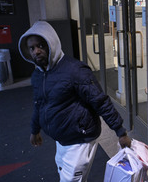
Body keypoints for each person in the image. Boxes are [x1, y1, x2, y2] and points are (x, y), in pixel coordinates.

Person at [18, 21, 131, 182]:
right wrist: (34, 130)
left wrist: (120, 132)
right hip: (61, 139)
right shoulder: (38, 75)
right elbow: (39, 104)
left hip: (80, 141)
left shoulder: (75, 70)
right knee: (65, 174)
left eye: (41, 45)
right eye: (32, 48)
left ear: (51, 43)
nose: (37, 51)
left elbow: (100, 101)